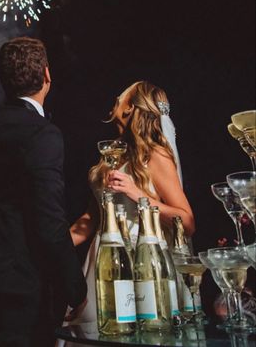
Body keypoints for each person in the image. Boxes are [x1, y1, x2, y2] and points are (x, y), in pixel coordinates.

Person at [0, 37, 87, 347]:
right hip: (15, 299)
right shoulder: (42, 134)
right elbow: (49, 223)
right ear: (47, 75)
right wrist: (74, 289)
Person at [59, 80, 195, 339]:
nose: (116, 98)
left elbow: (186, 221)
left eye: (121, 97)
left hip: (138, 259)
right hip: (102, 257)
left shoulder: (155, 155)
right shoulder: (109, 156)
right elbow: (90, 219)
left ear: (130, 107)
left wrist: (137, 193)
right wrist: (56, 246)